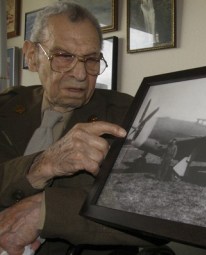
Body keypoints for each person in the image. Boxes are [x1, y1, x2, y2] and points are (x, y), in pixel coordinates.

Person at [0, 2, 160, 254]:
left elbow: (154, 212)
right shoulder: (7, 107)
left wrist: (45, 212)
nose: (80, 74)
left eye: (91, 59)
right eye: (64, 56)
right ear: (31, 56)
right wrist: (38, 167)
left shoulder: (125, 115)